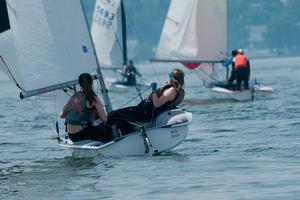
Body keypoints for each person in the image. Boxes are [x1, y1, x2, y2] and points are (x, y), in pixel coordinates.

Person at [107, 68, 185, 135]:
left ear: (172, 78)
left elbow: (157, 104)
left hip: (146, 113)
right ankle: (125, 136)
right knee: (121, 117)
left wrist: (154, 90)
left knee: (114, 115)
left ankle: (105, 134)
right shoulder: (177, 90)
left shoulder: (171, 91)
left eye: (169, 77)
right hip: (145, 110)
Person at [60, 73, 112, 142]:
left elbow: (62, 115)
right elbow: (104, 119)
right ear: (91, 82)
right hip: (82, 134)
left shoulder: (74, 96)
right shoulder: (92, 97)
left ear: (80, 84)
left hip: (72, 136)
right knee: (108, 129)